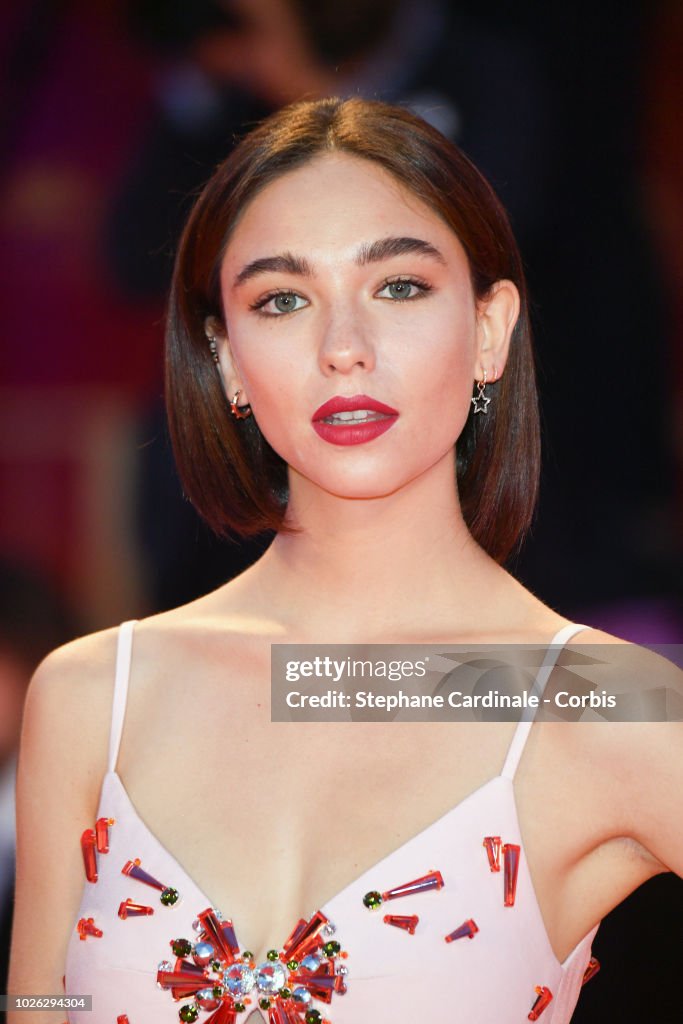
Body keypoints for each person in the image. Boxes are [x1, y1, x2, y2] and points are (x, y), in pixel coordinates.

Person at [8, 97, 683, 1024]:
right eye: (281, 300)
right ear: (227, 360)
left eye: (398, 287)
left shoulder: (601, 701)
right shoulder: (96, 694)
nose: (344, 350)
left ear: (489, 330)